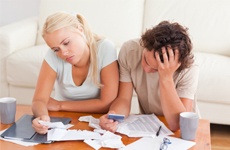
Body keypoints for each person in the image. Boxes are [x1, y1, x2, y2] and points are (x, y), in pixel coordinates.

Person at [99, 21, 199, 132]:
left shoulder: (189, 69)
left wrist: (166, 78)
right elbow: (124, 99)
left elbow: (177, 124)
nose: (146, 70)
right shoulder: (130, 50)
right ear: (145, 45)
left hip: (186, 132)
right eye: (146, 60)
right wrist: (113, 116)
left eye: (156, 70)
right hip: (150, 126)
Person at [32, 11, 119, 134]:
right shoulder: (52, 56)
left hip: (97, 122)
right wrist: (41, 118)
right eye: (56, 49)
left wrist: (59, 105)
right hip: (63, 121)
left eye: (66, 43)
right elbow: (38, 101)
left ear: (80, 30)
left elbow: (107, 103)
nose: (63, 53)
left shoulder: (105, 48)